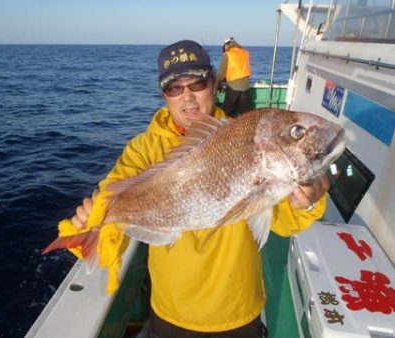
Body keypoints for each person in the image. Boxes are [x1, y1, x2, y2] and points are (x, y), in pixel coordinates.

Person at [58, 40, 330, 338]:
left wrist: (308, 201)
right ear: (164, 95)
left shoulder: (249, 139)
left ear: (215, 85)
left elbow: (283, 221)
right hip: (170, 311)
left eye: (198, 83)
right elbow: (112, 197)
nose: (187, 96)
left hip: (237, 308)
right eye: (174, 87)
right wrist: (88, 223)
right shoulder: (142, 150)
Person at [216, 37, 252, 117]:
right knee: (245, 114)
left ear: (226, 45)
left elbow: (221, 73)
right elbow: (239, 69)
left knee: (226, 111)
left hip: (233, 87)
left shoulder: (228, 54)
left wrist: (215, 81)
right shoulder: (245, 52)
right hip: (246, 87)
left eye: (223, 47)